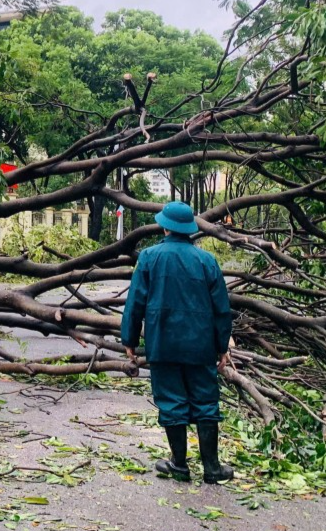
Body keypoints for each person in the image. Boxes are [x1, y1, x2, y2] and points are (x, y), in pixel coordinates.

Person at [120, 201, 234, 484]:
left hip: (163, 344)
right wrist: (222, 348)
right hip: (201, 346)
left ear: (165, 227)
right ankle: (212, 469)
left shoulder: (148, 257)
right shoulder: (207, 260)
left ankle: (179, 466)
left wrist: (129, 341)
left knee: (171, 401)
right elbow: (222, 309)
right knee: (206, 402)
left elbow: (135, 303)